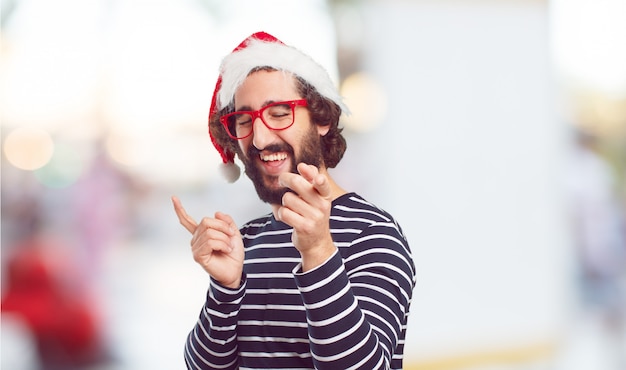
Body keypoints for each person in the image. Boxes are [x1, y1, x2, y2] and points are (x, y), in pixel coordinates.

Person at [172, 31, 416, 370]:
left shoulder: (374, 235)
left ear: (322, 118)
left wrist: (317, 252)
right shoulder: (246, 241)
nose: (258, 139)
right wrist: (225, 291)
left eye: (278, 113)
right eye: (244, 120)